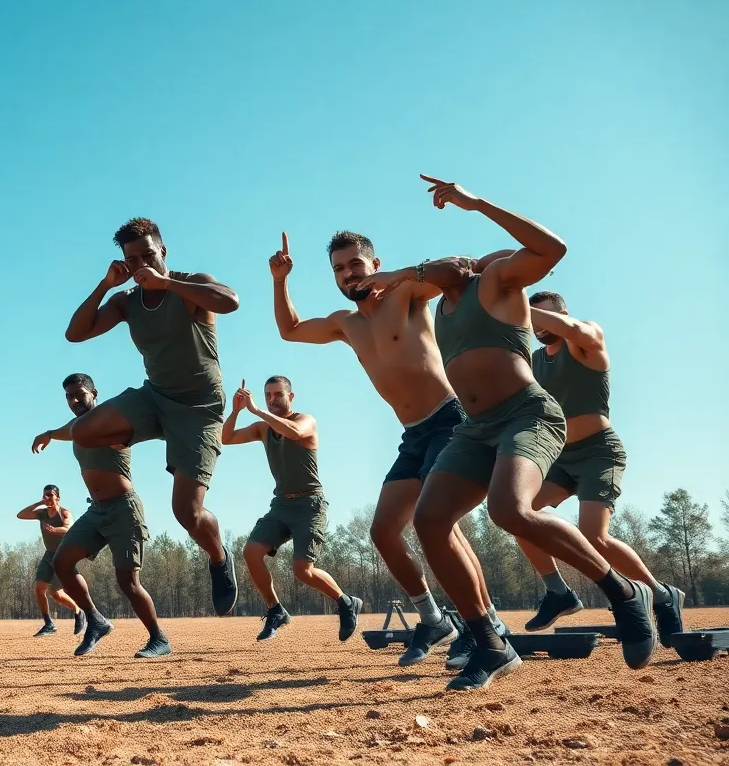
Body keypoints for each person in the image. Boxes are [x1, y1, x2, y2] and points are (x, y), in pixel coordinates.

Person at [363, 175, 656, 690]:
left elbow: (552, 247)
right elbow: (425, 279)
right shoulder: (439, 308)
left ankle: (624, 593)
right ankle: (490, 644)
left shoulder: (496, 284)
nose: (464, 261)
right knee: (431, 521)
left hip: (528, 416)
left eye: (472, 258)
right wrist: (413, 273)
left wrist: (476, 205)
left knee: (511, 510)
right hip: (476, 429)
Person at [271, 229, 507, 669]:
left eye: (355, 264)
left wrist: (404, 275)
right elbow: (291, 330)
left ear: (374, 265)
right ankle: (434, 619)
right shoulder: (347, 323)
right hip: (413, 435)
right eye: (339, 269)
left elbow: (460, 268)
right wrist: (281, 279)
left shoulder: (406, 295)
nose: (347, 274)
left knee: (438, 524)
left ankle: (488, 627)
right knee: (383, 532)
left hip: (449, 417)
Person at [63, 218, 239, 617]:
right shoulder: (127, 301)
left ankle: (219, 558)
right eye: (131, 259)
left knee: (187, 514)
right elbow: (76, 334)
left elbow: (230, 301)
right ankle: (138, 436)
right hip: (155, 398)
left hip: (198, 411)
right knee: (85, 431)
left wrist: (167, 283)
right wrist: (107, 285)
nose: (142, 263)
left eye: (148, 254)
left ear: (163, 251)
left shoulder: (191, 283)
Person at [516, 291, 684, 643]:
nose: (536, 324)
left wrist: (517, 302)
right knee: (517, 512)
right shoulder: (533, 361)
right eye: (532, 319)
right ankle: (557, 592)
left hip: (599, 452)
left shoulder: (586, 339)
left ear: (564, 314)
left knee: (594, 536)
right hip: (559, 455)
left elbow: (573, 329)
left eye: (543, 316)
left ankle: (660, 593)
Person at [33, 373, 170, 658]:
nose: (74, 401)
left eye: (79, 395)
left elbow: (137, 428)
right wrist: (48, 434)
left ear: (94, 393)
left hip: (124, 509)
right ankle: (95, 620)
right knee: (62, 561)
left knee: (128, 583)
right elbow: (67, 429)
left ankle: (159, 639)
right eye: (69, 397)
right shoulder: (76, 426)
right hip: (96, 510)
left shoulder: (110, 422)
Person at [221, 376, 363, 642]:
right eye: (267, 395)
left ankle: (345, 602)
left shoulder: (305, 420)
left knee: (302, 569)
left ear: (291, 396)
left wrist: (257, 411)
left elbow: (294, 433)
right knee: (251, 551)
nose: (272, 399)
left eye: (277, 394)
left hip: (310, 504)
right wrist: (236, 411)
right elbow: (226, 438)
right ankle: (276, 610)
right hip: (281, 504)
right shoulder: (263, 428)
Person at [17, 486, 88, 637]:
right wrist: (39, 503)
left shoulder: (64, 513)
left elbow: (69, 528)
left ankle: (78, 611)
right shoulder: (42, 513)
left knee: (56, 594)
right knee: (39, 588)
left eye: (50, 495)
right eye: (44, 495)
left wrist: (55, 530)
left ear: (58, 497)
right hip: (49, 555)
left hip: (63, 556)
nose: (47, 498)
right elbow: (20, 515)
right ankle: (49, 624)